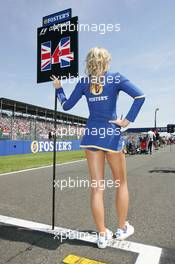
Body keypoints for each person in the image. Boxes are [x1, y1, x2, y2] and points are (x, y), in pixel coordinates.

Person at [50, 47, 145, 249]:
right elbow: (140, 96)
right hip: (110, 135)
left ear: (89, 62)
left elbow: (66, 106)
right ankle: (121, 228)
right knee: (121, 184)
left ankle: (102, 234)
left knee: (97, 188)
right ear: (107, 61)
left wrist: (58, 88)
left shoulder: (84, 82)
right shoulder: (115, 78)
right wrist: (128, 120)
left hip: (92, 135)